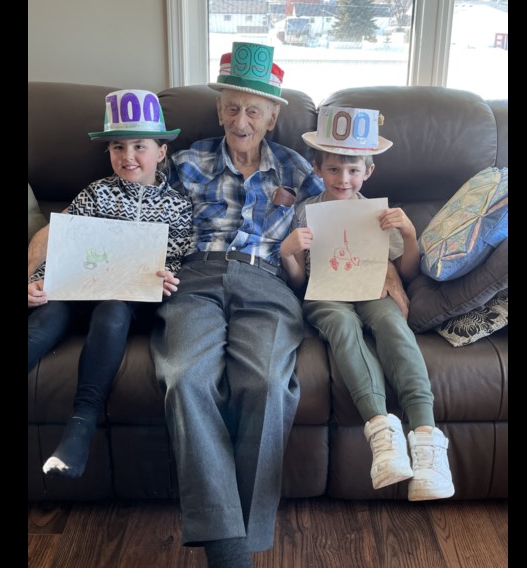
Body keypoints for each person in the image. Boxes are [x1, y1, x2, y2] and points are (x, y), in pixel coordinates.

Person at [150, 42, 323, 568]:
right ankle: (231, 552)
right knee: (184, 375)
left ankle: (236, 545)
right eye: (231, 107)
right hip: (196, 273)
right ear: (219, 110)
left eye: (253, 110)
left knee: (269, 383)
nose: (240, 120)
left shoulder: (299, 171)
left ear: (272, 117)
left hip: (267, 277)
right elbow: (149, 218)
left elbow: (336, 228)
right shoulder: (185, 161)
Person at [278, 108, 455, 501]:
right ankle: (381, 431)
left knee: (393, 326)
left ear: (368, 172)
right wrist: (289, 255)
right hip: (325, 295)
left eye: (353, 171)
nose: (344, 180)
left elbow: (406, 273)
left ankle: (426, 440)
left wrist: (409, 234)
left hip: (373, 289)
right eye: (334, 170)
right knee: (343, 328)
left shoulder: (378, 213)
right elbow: (300, 282)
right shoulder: (305, 211)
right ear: (318, 169)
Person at [27, 89, 192, 478]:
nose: (128, 156)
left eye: (140, 146)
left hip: (127, 300)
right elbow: (60, 243)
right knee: (46, 319)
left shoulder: (179, 205)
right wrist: (35, 282)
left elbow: (175, 259)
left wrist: (167, 278)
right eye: (118, 147)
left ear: (162, 152)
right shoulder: (95, 192)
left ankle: (81, 425)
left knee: (113, 311)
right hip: (76, 290)